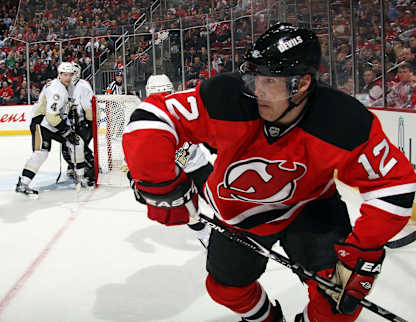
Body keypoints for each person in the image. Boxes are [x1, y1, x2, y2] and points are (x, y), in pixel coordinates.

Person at [122, 23, 416, 322]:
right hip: (240, 213)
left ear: (301, 84)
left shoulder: (344, 120)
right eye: (253, 78)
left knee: (337, 306)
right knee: (225, 288)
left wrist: (362, 247)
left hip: (311, 208)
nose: (256, 91)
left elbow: (394, 186)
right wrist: (158, 182)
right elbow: (151, 117)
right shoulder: (227, 95)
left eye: (269, 82)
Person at [144, 74, 213, 247]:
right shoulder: (147, 117)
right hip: (177, 175)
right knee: (191, 213)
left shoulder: (181, 109)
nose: (162, 98)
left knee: (220, 200)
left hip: (198, 167)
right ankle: (206, 239)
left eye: (166, 93)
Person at [15, 62, 88, 198]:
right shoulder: (57, 90)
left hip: (53, 123)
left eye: (70, 75)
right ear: (59, 75)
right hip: (41, 123)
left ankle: (80, 178)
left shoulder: (68, 86)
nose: (67, 77)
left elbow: (64, 108)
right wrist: (66, 131)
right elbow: (51, 116)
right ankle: (23, 183)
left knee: (77, 143)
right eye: (64, 75)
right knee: (41, 153)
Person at [62, 62, 96, 186]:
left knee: (75, 148)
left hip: (84, 123)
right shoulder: (68, 86)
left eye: (72, 73)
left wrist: (87, 125)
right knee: (74, 148)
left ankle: (90, 171)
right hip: (75, 124)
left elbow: (88, 109)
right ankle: (82, 168)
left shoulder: (83, 86)